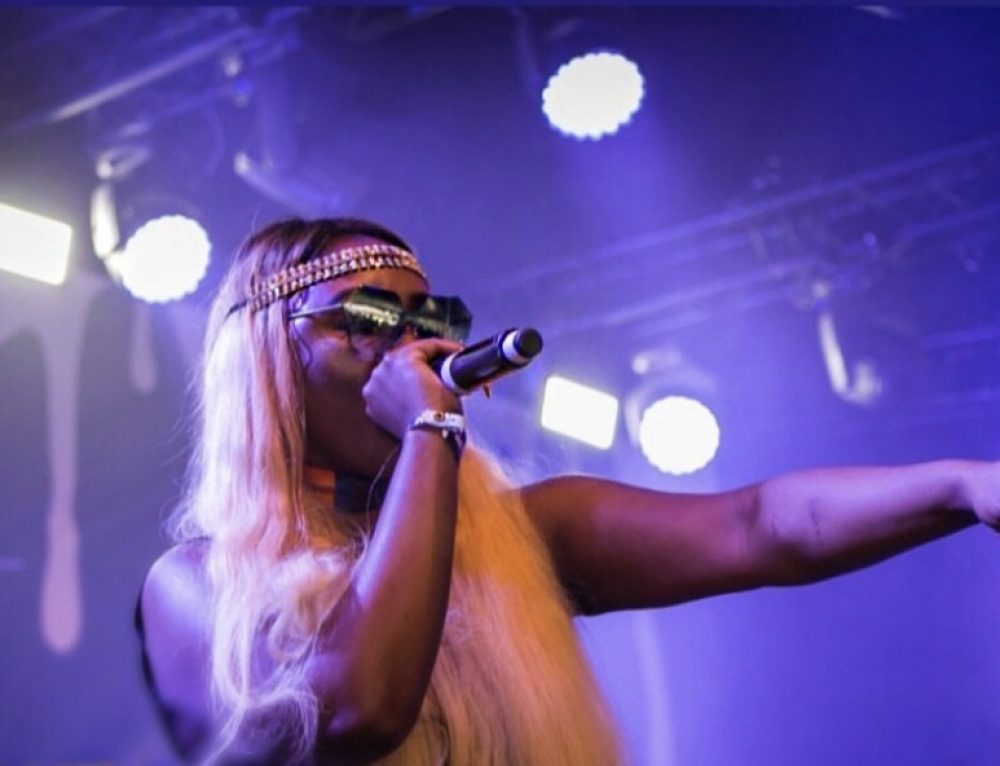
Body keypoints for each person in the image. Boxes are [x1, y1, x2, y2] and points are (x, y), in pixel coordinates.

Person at [137, 217, 997, 766]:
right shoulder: (197, 586)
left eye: (429, 321)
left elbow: (764, 525)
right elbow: (360, 709)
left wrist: (965, 484)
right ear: (269, 360)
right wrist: (431, 431)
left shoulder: (522, 534)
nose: (408, 346)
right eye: (364, 319)